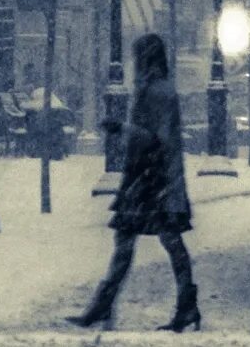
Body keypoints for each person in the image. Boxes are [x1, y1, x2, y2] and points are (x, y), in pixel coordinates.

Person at [69, 34, 201, 331]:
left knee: (147, 241)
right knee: (155, 241)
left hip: (152, 179)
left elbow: (157, 138)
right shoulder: (153, 90)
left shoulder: (158, 93)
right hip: (150, 177)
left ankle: (107, 305)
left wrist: (122, 128)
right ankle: (184, 304)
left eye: (139, 56)